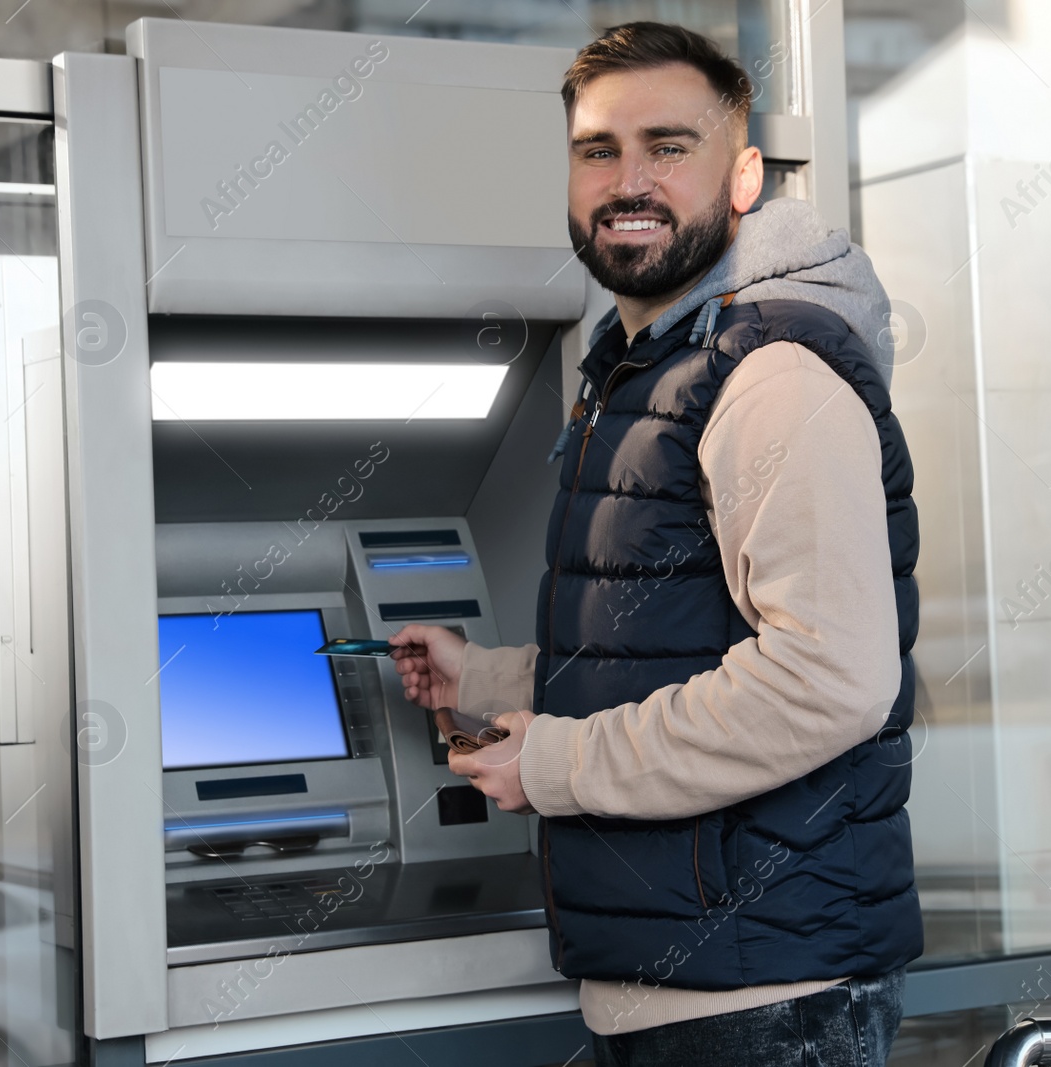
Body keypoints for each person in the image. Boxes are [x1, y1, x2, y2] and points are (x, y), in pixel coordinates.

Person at [390, 21, 921, 1067]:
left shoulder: (769, 374)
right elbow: (680, 641)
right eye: (599, 149)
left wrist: (554, 759)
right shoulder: (647, 366)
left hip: (765, 1000)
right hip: (690, 988)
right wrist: (491, 679)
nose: (629, 179)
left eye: (669, 146)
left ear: (744, 175)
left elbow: (826, 680)